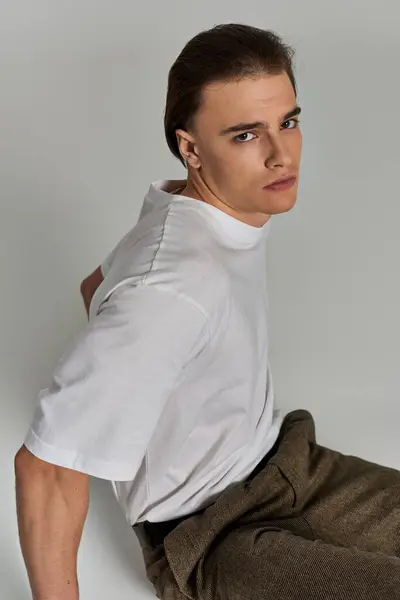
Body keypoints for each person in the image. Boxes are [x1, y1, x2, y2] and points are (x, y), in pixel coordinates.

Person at [14, 23, 400, 600]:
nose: (280, 154)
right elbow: (44, 470)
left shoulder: (193, 212)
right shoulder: (169, 288)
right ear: (190, 148)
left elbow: (95, 286)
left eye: (288, 122)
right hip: (210, 536)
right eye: (246, 135)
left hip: (290, 464)